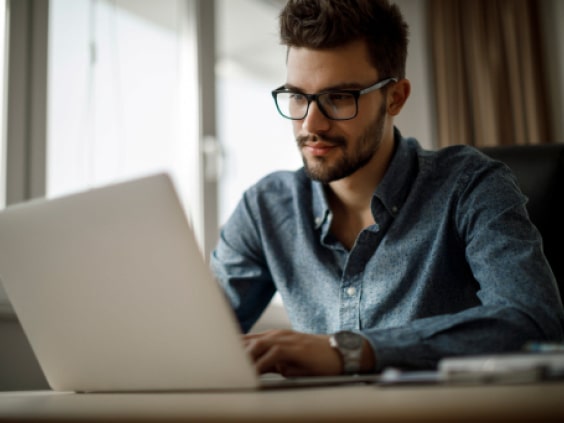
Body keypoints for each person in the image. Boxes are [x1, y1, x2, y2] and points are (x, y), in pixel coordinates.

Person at [210, 0, 564, 377]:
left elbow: (532, 319)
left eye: (338, 98)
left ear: (395, 97)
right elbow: (193, 335)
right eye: (298, 96)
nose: (310, 124)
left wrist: (347, 351)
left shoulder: (470, 185)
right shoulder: (264, 208)